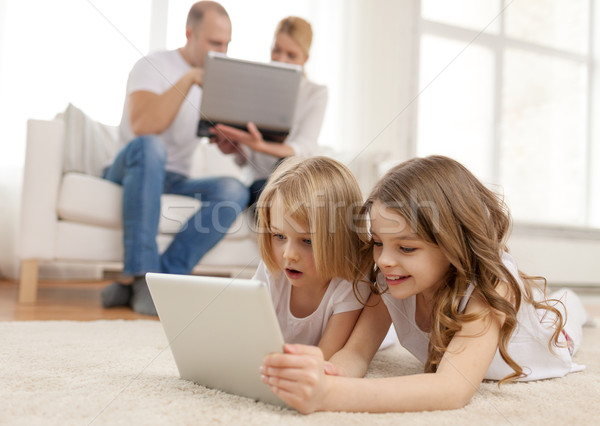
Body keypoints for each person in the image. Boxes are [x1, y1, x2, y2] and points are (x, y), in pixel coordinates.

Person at [260, 155, 592, 413]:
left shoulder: (489, 287)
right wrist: (324, 373)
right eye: (377, 243)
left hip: (551, 338)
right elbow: (357, 353)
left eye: (406, 247)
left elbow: (452, 389)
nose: (384, 261)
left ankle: (572, 301)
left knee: (565, 310)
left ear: (452, 245)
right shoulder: (389, 278)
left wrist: (329, 394)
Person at [101, 1, 249, 316]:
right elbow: (144, 127)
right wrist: (189, 79)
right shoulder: (152, 65)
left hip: (175, 178)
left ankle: (158, 281)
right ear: (189, 34)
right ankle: (140, 272)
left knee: (234, 189)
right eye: (214, 43)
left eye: (226, 44)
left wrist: (229, 143)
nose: (221, 52)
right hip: (131, 168)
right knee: (151, 147)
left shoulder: (215, 81)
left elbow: (214, 137)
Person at [253, 156, 370, 360]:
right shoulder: (272, 269)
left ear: (342, 240)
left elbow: (324, 356)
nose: (288, 254)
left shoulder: (351, 282)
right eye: (279, 236)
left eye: (307, 241)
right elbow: (247, 333)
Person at [212, 16, 328, 207]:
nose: (281, 60)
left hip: (296, 182)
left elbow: (303, 147)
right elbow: (246, 161)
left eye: (291, 55)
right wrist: (237, 148)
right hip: (261, 183)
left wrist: (258, 145)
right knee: (270, 196)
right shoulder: (255, 87)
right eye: (277, 50)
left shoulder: (315, 93)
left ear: (305, 59)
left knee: (297, 197)